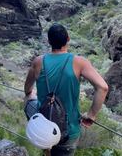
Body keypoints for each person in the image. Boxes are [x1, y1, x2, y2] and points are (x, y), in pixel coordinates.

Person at [24, 23, 109, 156]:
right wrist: (91, 115)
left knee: (30, 102)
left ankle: (47, 150)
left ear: (49, 41)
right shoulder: (79, 62)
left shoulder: (38, 62)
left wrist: (30, 94)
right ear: (68, 39)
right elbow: (103, 87)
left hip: (43, 125)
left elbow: (28, 89)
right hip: (69, 130)